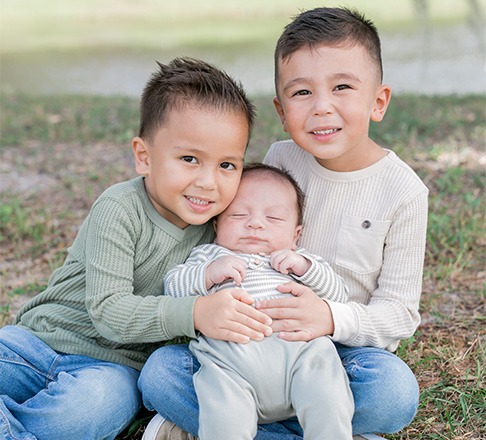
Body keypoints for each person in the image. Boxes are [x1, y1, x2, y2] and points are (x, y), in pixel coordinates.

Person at [138, 6, 429, 440]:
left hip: (334, 351)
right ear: (280, 108)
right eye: (301, 93)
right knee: (159, 372)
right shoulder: (279, 160)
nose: (321, 108)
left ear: (378, 101)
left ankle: (223, 424)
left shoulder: (404, 192)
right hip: (243, 346)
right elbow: (225, 235)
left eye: (343, 87)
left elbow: (399, 314)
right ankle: (323, 428)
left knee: (394, 393)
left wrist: (329, 318)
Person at [0, 57, 266, 440]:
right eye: (189, 159)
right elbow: (109, 311)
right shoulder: (120, 207)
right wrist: (195, 312)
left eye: (227, 165)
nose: (209, 182)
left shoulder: (221, 233)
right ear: (144, 157)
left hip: (112, 369)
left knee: (85, 414)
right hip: (36, 342)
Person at [161, 163, 353, 439]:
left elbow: (339, 295)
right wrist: (208, 274)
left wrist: (305, 267)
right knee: (222, 418)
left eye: (273, 218)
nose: (255, 224)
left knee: (328, 393)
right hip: (230, 363)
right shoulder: (210, 255)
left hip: (301, 355)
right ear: (216, 224)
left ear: (296, 234)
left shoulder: (301, 259)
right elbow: (172, 288)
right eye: (238, 214)